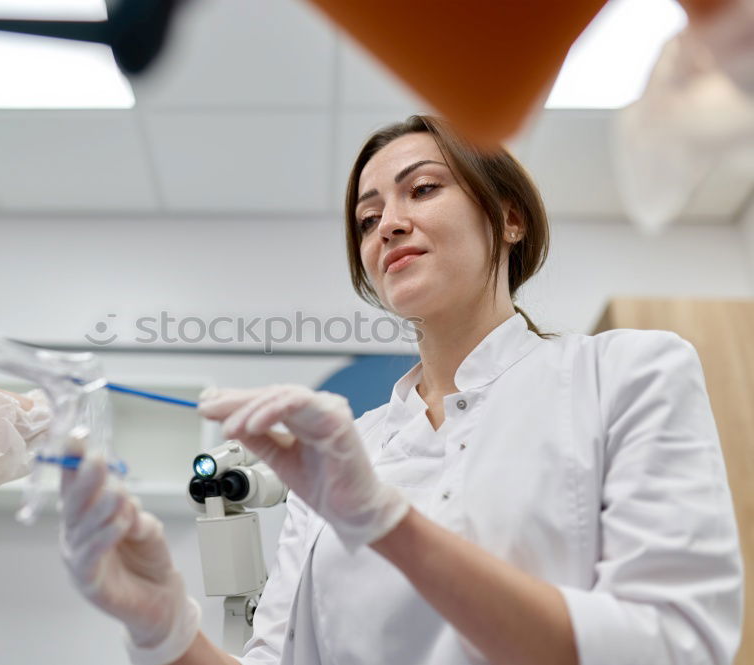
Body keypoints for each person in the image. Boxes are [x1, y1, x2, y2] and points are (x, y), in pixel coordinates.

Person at [59, 115, 744, 665]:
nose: (386, 223)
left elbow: (676, 643)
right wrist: (164, 628)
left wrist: (388, 524)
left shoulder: (629, 374)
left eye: (422, 189)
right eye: (366, 217)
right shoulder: (339, 452)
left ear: (510, 218)